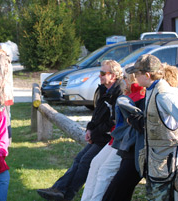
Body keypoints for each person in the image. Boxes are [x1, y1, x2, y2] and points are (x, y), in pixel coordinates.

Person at [37, 60, 124, 201]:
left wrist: (94, 133)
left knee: (85, 161)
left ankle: (66, 195)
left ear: (113, 76)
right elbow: (97, 114)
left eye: (103, 73)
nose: (99, 75)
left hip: (107, 138)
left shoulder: (118, 92)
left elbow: (112, 121)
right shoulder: (104, 89)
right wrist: (89, 129)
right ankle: (59, 189)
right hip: (99, 134)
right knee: (79, 159)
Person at [124, 54, 178, 201]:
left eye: (136, 74)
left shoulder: (164, 95)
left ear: (147, 75)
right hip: (158, 163)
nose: (134, 77)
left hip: (169, 164)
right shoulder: (152, 90)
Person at [81, 66, 145, 201]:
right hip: (116, 140)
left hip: (125, 142)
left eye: (126, 78)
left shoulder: (140, 96)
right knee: (95, 164)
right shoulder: (127, 94)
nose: (124, 81)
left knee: (105, 172)